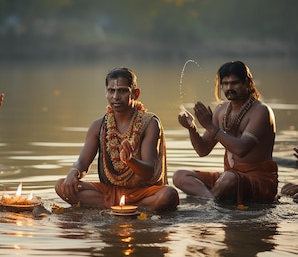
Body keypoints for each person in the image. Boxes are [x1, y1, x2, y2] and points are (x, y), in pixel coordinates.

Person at [55, 67, 179, 212]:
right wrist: (74, 172)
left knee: (169, 195)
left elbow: (149, 171)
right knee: (62, 185)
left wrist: (129, 160)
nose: (116, 97)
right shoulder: (98, 126)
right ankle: (128, 208)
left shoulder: (149, 123)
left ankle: (121, 208)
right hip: (110, 192)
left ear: (135, 93)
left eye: (123, 90)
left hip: (144, 193)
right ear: (106, 93)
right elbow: (83, 162)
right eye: (111, 91)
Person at [173, 61, 278, 208]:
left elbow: (242, 150)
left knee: (229, 178)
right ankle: (211, 200)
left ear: (248, 83)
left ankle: (209, 205)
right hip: (229, 176)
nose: (229, 88)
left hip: (259, 181)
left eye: (234, 83)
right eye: (225, 83)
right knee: (180, 176)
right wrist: (192, 128)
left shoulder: (261, 111)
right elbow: (203, 150)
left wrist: (210, 126)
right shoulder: (221, 110)